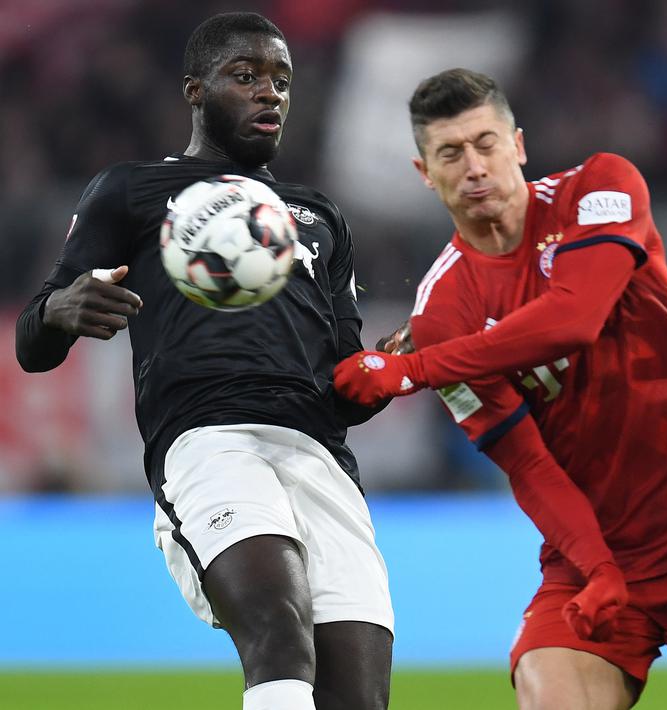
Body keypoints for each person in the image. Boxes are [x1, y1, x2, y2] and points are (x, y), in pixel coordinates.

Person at [333, 68, 667, 709]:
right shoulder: (442, 309)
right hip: (588, 559)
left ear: (519, 146)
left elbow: (574, 319)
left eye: (486, 144)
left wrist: (417, 368)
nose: (473, 167)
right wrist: (601, 566)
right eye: (451, 153)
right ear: (425, 173)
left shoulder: (602, 188)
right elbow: (527, 463)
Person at [14, 13, 393, 710]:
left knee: (359, 698)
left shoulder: (317, 216)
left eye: (281, 80)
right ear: (195, 89)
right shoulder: (131, 191)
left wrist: (383, 377)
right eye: (245, 76)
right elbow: (33, 346)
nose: (269, 94)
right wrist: (59, 309)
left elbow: (347, 383)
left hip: (319, 458)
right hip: (209, 441)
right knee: (278, 635)